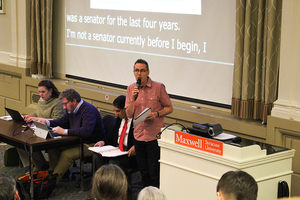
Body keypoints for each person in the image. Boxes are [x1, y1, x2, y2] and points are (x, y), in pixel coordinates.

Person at [39, 88, 106, 184]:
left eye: (65, 104)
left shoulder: (88, 110)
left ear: (74, 101)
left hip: (92, 145)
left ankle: (52, 182)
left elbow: (86, 131)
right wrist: (47, 122)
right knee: (52, 146)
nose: (64, 107)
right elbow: (63, 121)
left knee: (67, 155)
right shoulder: (72, 109)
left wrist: (64, 132)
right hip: (77, 141)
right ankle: (55, 173)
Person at [125, 59, 173, 188]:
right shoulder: (131, 89)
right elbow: (129, 114)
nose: (139, 74)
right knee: (143, 172)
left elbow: (169, 108)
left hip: (154, 136)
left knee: (154, 172)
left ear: (148, 72)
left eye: (142, 70)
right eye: (136, 70)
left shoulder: (158, 87)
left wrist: (156, 114)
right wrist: (133, 100)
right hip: (139, 136)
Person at [17, 80, 64, 171]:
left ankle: (42, 166)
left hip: (52, 129)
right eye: (39, 92)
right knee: (20, 139)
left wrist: (38, 119)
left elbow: (57, 120)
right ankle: (37, 165)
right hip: (39, 126)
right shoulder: (41, 100)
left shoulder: (57, 102)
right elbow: (37, 112)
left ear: (50, 91)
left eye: (43, 92)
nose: (41, 94)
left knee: (30, 141)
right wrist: (31, 116)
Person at [93, 95, 136, 172]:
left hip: (128, 153)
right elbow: (111, 136)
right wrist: (104, 142)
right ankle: (99, 181)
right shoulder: (119, 120)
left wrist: (136, 146)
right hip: (117, 149)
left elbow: (141, 139)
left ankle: (113, 183)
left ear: (126, 108)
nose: (116, 114)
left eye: (118, 111)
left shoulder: (136, 121)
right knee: (96, 157)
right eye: (115, 111)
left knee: (113, 163)